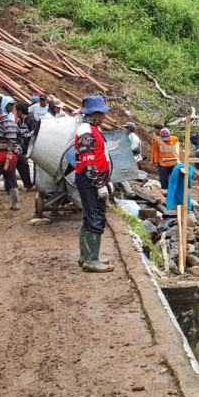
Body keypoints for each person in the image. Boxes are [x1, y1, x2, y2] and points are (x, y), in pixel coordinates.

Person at [74, 96, 114, 273]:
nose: (104, 117)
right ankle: (91, 259)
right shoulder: (87, 131)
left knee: (89, 217)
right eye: (102, 113)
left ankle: (87, 255)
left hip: (95, 178)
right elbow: (88, 161)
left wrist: (106, 181)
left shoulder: (92, 129)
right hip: (90, 180)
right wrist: (99, 184)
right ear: (95, 114)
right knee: (96, 217)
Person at [14, 103, 35, 191]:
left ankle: (35, 184)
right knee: (20, 161)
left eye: (16, 111)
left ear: (19, 111)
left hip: (33, 145)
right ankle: (28, 185)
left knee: (36, 166)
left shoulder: (32, 120)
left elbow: (35, 135)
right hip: (23, 145)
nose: (15, 113)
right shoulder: (19, 122)